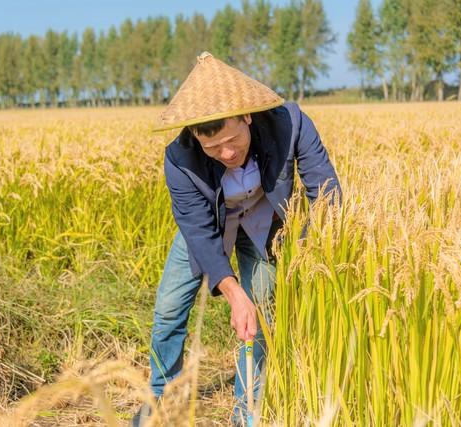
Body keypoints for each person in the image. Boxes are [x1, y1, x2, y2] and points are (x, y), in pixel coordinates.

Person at [132, 52, 341, 427]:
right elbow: (197, 230)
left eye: (233, 140)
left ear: (247, 115)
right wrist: (231, 293)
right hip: (210, 228)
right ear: (195, 135)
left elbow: (325, 191)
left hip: (264, 225)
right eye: (214, 148)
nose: (227, 154)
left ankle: (248, 410)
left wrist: (314, 245)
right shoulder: (179, 159)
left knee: (259, 309)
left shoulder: (290, 123)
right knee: (168, 308)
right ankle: (160, 400)